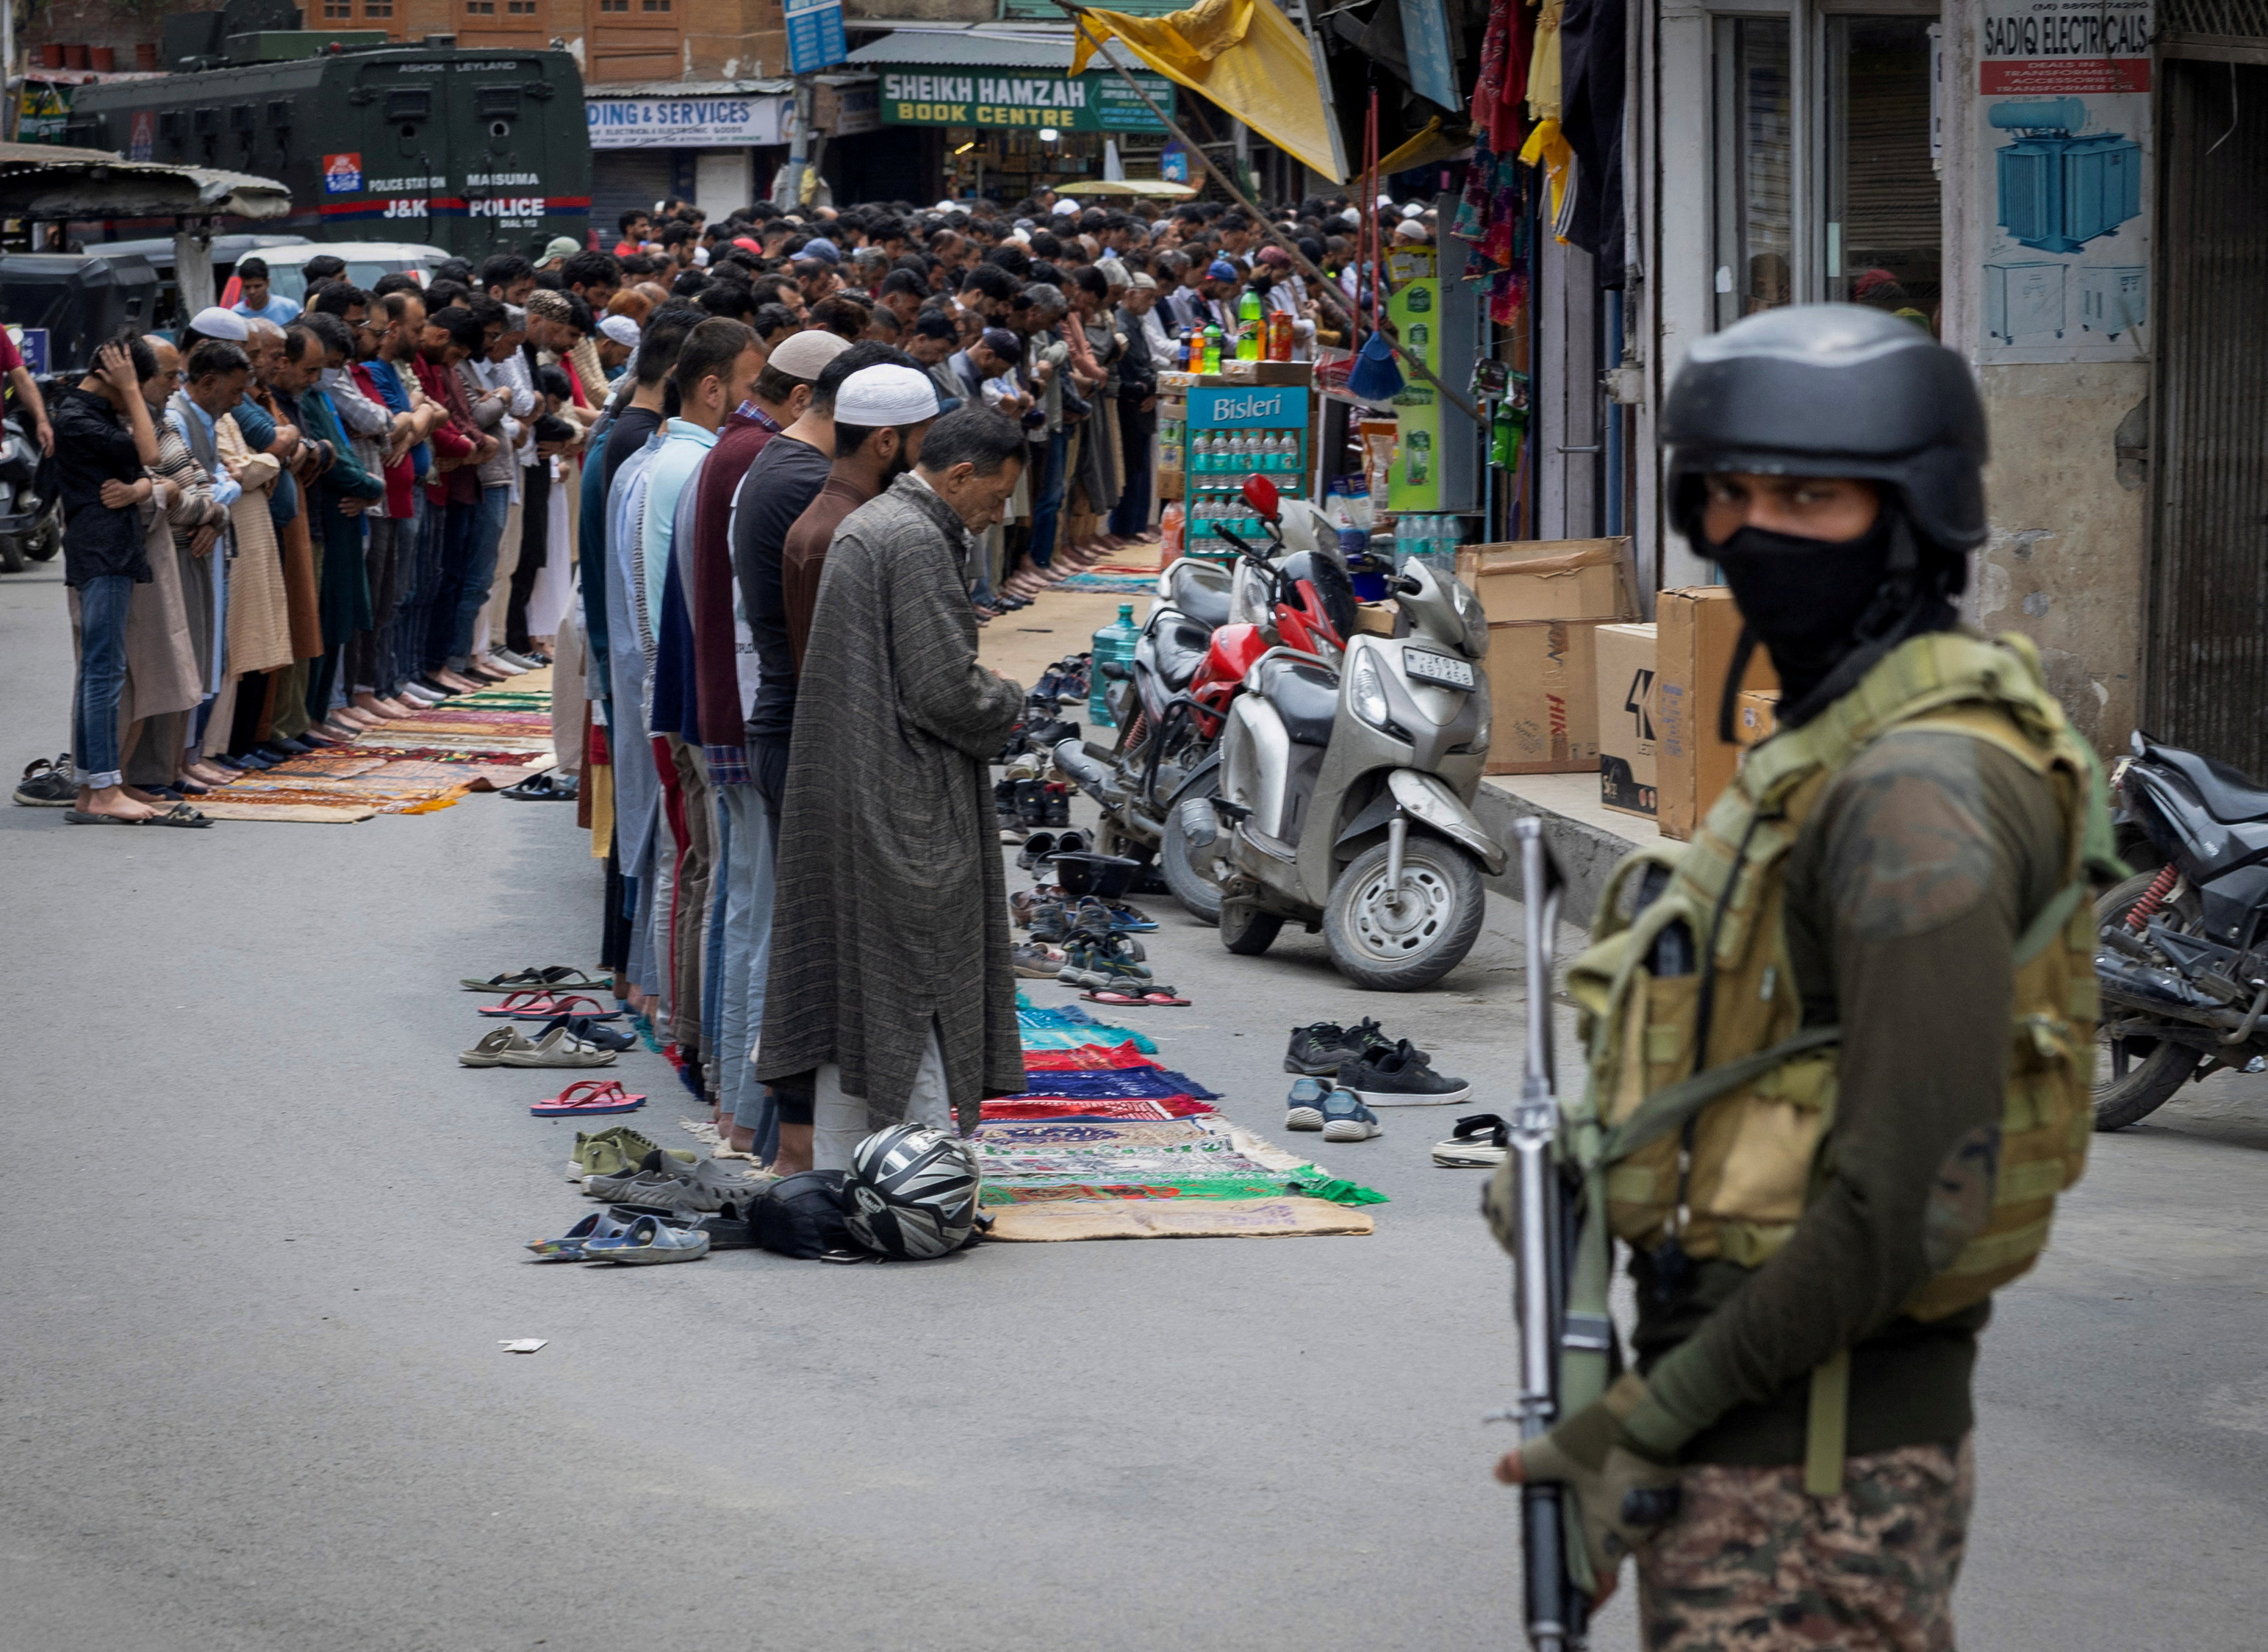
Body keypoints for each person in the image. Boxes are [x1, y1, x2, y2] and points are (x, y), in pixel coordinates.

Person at [1488, 304, 2109, 1652]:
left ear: (1913, 511)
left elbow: (1903, 1203)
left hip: (1808, 1478)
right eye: (1731, 491)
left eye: (1810, 496)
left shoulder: (1914, 795)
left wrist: (1642, 1423)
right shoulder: (1839, 742)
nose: (1757, 528)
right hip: (1758, 1437)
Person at [758, 406, 1030, 1171]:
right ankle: (919, 1179)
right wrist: (1006, 697)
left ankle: (853, 1168)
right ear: (958, 476)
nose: (998, 514)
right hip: (900, 798)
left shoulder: (878, 523)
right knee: (916, 984)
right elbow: (944, 690)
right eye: (995, 495)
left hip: (858, 782)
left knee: (861, 992)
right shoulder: (913, 540)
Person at [53, 336, 165, 822]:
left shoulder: (88, 413)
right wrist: (132, 391)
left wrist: (140, 486)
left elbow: (144, 468)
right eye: (134, 385)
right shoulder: (77, 417)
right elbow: (152, 453)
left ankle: (91, 789)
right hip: (101, 548)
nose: (133, 396)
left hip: (108, 545)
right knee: (104, 670)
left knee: (102, 667)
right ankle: (102, 789)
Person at [778, 362, 939, 669]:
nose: (925, 462)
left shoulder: (820, 520)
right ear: (886, 442)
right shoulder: (851, 532)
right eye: (923, 444)